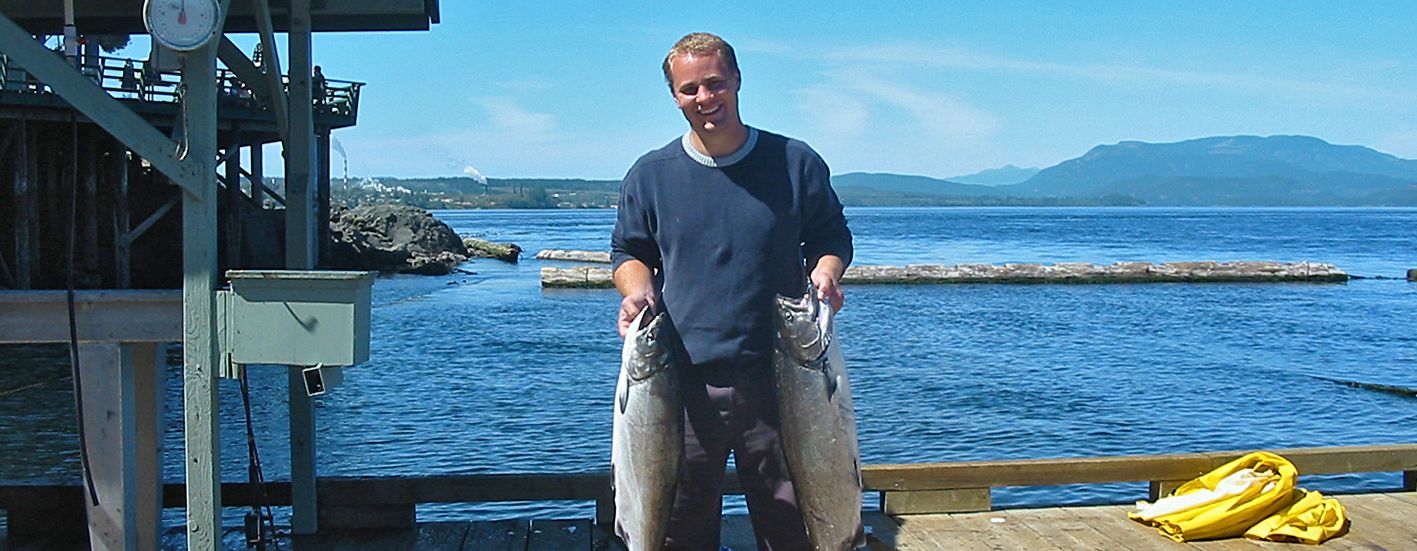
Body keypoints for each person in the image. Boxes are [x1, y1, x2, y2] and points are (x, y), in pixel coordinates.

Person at [610, 32, 852, 550]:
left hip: (784, 382)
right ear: (674, 96)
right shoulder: (650, 175)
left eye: (715, 83)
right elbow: (629, 254)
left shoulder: (795, 162)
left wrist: (826, 273)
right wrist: (636, 292)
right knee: (676, 529)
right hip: (680, 385)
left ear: (737, 80)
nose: (704, 99)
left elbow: (831, 237)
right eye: (689, 89)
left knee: (795, 527)